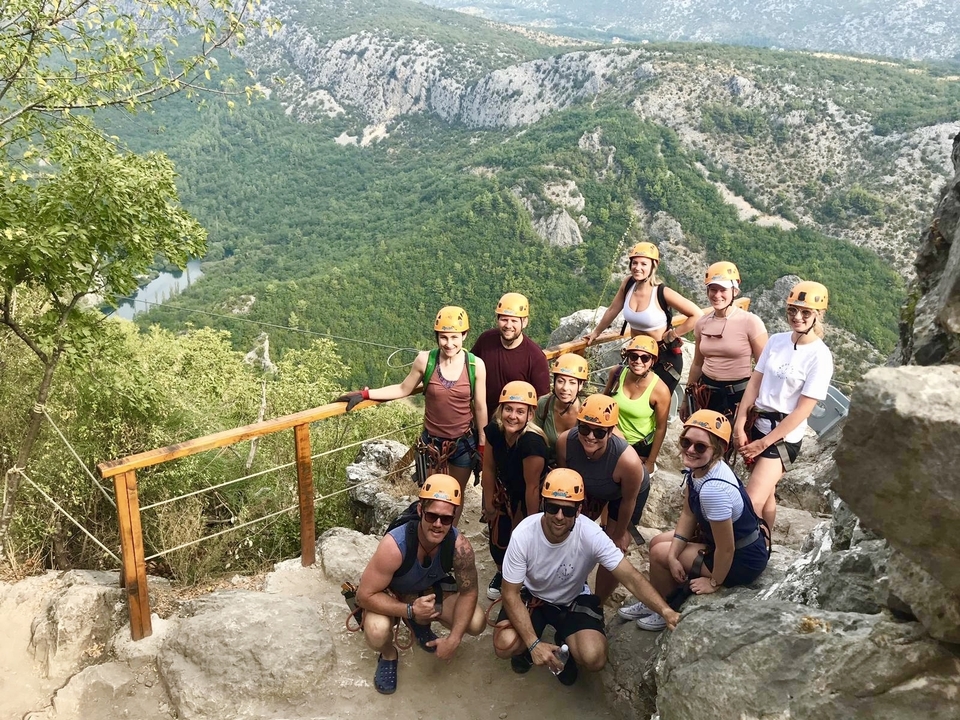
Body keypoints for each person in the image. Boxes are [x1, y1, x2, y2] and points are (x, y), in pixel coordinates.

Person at [492, 468, 680, 685]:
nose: (559, 516)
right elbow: (510, 593)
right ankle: (528, 648)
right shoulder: (524, 535)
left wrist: (665, 611)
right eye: (552, 508)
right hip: (533, 596)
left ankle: (566, 647)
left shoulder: (590, 534)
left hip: (571, 599)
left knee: (594, 657)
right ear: (543, 505)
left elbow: (630, 577)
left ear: (579, 510)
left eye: (568, 511)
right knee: (505, 644)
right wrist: (533, 644)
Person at [335, 306, 488, 525]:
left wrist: (482, 443)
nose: (449, 343)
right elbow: (402, 389)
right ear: (437, 336)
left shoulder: (475, 365)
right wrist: (366, 394)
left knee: (456, 494)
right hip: (432, 444)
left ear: (464, 335)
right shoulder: (425, 361)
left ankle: (449, 535)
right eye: (443, 337)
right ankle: (429, 535)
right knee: (430, 495)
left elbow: (480, 406)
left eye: (454, 337)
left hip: (463, 443)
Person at [626, 411, 769, 631]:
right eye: (686, 442)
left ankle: (667, 607)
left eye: (700, 447)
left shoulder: (714, 490)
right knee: (658, 543)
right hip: (728, 544)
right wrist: (674, 555)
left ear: (717, 450)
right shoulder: (701, 470)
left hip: (742, 559)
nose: (691, 449)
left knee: (658, 553)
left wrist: (714, 582)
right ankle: (657, 598)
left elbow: (727, 548)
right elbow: (688, 514)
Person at [357, 475, 485, 694]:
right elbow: (364, 595)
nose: (438, 524)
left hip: (428, 591)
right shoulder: (394, 545)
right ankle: (389, 654)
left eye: (446, 519)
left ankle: (419, 623)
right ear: (420, 511)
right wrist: (409, 610)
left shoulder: (459, 547)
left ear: (454, 517)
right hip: (391, 593)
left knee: (476, 622)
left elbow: (469, 592)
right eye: (432, 516)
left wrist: (454, 639)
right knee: (377, 631)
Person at [733, 281, 834, 531]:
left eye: (806, 312)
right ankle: (764, 544)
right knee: (766, 494)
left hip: (782, 438)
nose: (797, 317)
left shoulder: (820, 356)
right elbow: (755, 382)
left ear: (818, 315)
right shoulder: (776, 341)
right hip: (757, 424)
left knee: (750, 501)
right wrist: (740, 424)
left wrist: (763, 444)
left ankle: (741, 550)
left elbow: (803, 410)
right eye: (792, 310)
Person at [555, 394, 649, 601]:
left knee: (614, 548)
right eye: (584, 429)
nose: (590, 436)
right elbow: (564, 483)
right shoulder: (565, 442)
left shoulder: (628, 461)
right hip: (589, 485)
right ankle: (570, 583)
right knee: (568, 530)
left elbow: (628, 501)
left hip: (622, 494)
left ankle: (597, 602)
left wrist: (619, 534)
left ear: (611, 431)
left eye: (599, 432)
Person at [584, 241, 702, 393]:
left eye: (643, 264)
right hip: (637, 356)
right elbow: (613, 309)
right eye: (634, 263)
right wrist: (596, 332)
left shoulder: (661, 292)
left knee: (656, 402)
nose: (637, 267)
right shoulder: (628, 284)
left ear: (653, 266)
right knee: (627, 397)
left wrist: (673, 334)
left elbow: (697, 314)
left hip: (663, 358)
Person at [481, 381, 549, 602]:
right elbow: (488, 468)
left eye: (520, 411)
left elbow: (532, 487)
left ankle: (525, 580)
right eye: (508, 409)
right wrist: (489, 504)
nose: (512, 416)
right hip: (504, 491)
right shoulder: (494, 431)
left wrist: (531, 524)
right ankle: (503, 572)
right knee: (498, 541)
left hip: (527, 496)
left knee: (522, 541)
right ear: (501, 410)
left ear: (530, 415)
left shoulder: (532, 444)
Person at [685, 262, 768, 425]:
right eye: (713, 289)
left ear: (734, 291)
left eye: (723, 290)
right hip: (707, 394)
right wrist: (687, 398)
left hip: (738, 396)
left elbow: (763, 367)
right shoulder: (702, 323)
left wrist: (756, 402)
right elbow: (697, 364)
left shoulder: (750, 322)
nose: (717, 295)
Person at [471, 292, 551, 415]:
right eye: (504, 319)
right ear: (498, 320)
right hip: (483, 415)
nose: (508, 325)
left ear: (524, 322)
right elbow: (469, 368)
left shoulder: (535, 357)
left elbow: (542, 401)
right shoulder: (486, 340)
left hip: (514, 420)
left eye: (514, 321)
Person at [602, 336, 671, 474]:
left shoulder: (660, 390)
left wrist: (650, 462)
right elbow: (603, 403)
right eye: (634, 356)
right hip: (612, 438)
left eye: (645, 358)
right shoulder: (617, 373)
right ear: (627, 357)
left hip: (639, 447)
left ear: (652, 361)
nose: (638, 361)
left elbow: (661, 428)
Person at [534, 352, 589, 466]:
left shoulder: (588, 409)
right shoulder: (544, 404)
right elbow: (534, 439)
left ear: (580, 385)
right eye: (560, 381)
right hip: (547, 465)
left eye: (572, 383)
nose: (565, 388)